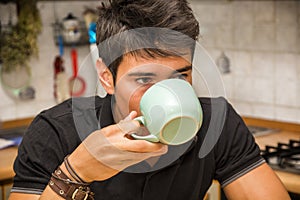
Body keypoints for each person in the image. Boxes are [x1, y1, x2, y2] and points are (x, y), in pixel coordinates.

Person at [9, 0, 290, 199]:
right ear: (107, 78)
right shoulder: (54, 133)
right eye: (144, 80)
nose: (168, 94)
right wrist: (76, 171)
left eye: (180, 77)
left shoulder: (216, 123)